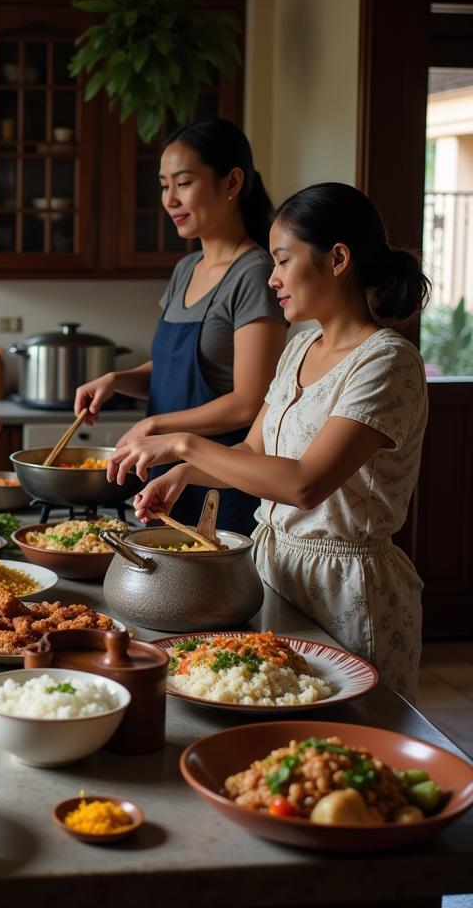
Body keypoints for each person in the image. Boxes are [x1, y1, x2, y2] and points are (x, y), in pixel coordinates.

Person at [120, 182, 430, 697]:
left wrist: (183, 444)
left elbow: (306, 485)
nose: (273, 277)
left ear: (337, 259)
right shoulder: (301, 345)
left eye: (284, 260)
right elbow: (252, 452)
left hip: (347, 589)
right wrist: (182, 475)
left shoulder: (387, 362)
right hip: (274, 572)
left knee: (346, 746)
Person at [75, 119, 286, 535]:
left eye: (183, 183)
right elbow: (173, 368)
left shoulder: (254, 272)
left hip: (220, 480)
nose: (170, 199)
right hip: (165, 473)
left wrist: (157, 425)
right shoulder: (186, 268)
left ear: (232, 182)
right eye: (163, 185)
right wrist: (118, 379)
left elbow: (249, 401)